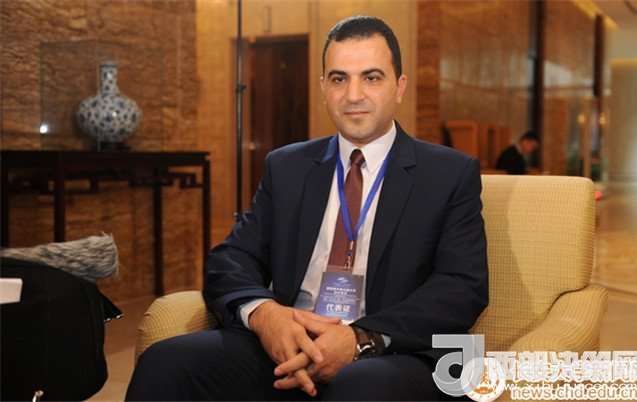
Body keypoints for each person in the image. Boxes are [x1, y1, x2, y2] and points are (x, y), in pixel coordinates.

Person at [126, 15, 488, 401]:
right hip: (290, 344)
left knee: (361, 386)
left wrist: (359, 338)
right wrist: (266, 315)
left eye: (371, 77)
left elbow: (462, 286)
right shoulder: (287, 167)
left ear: (399, 87)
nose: (353, 95)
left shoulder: (449, 173)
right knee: (166, 361)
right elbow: (230, 258)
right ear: (323, 87)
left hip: (393, 353)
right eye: (339, 78)